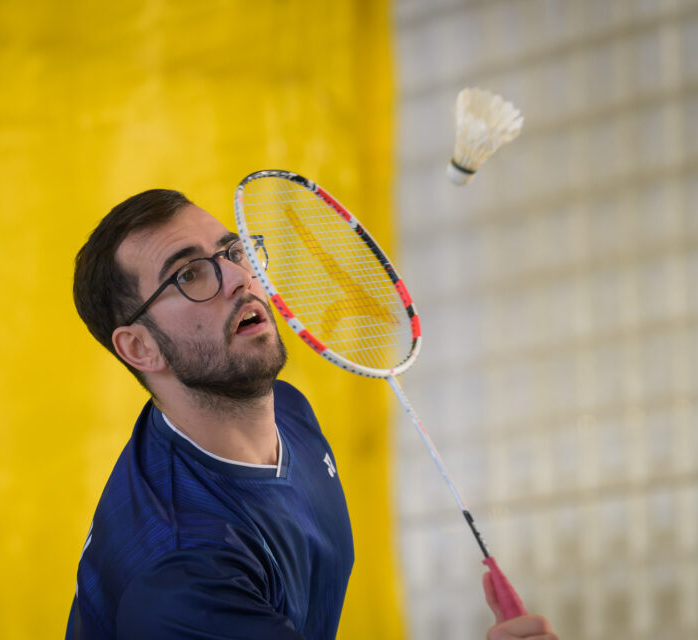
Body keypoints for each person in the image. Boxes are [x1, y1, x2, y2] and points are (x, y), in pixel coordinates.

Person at [66, 189, 559, 640]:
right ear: (141, 347)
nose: (240, 277)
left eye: (234, 251)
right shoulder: (183, 571)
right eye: (188, 274)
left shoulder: (288, 412)